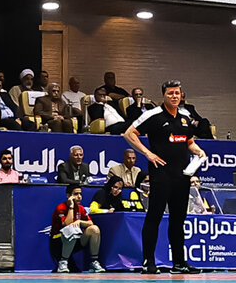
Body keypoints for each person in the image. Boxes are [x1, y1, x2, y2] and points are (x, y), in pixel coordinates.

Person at [124, 79, 206, 274]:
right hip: (161, 175)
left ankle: (179, 264)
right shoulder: (153, 115)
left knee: (178, 220)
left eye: (177, 93)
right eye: (170, 93)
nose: (174, 96)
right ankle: (148, 262)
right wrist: (148, 153)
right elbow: (129, 134)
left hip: (182, 176)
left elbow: (189, 142)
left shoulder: (185, 117)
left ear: (181, 94)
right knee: (154, 217)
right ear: (164, 95)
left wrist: (199, 151)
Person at [50, 185, 104, 273]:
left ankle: (94, 262)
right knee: (71, 229)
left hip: (75, 240)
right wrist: (71, 207)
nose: (79, 196)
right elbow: (67, 224)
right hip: (58, 242)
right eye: (76, 194)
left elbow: (90, 223)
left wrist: (80, 221)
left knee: (94, 229)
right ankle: (63, 263)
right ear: (68, 196)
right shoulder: (61, 207)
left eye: (80, 194)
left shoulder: (81, 208)